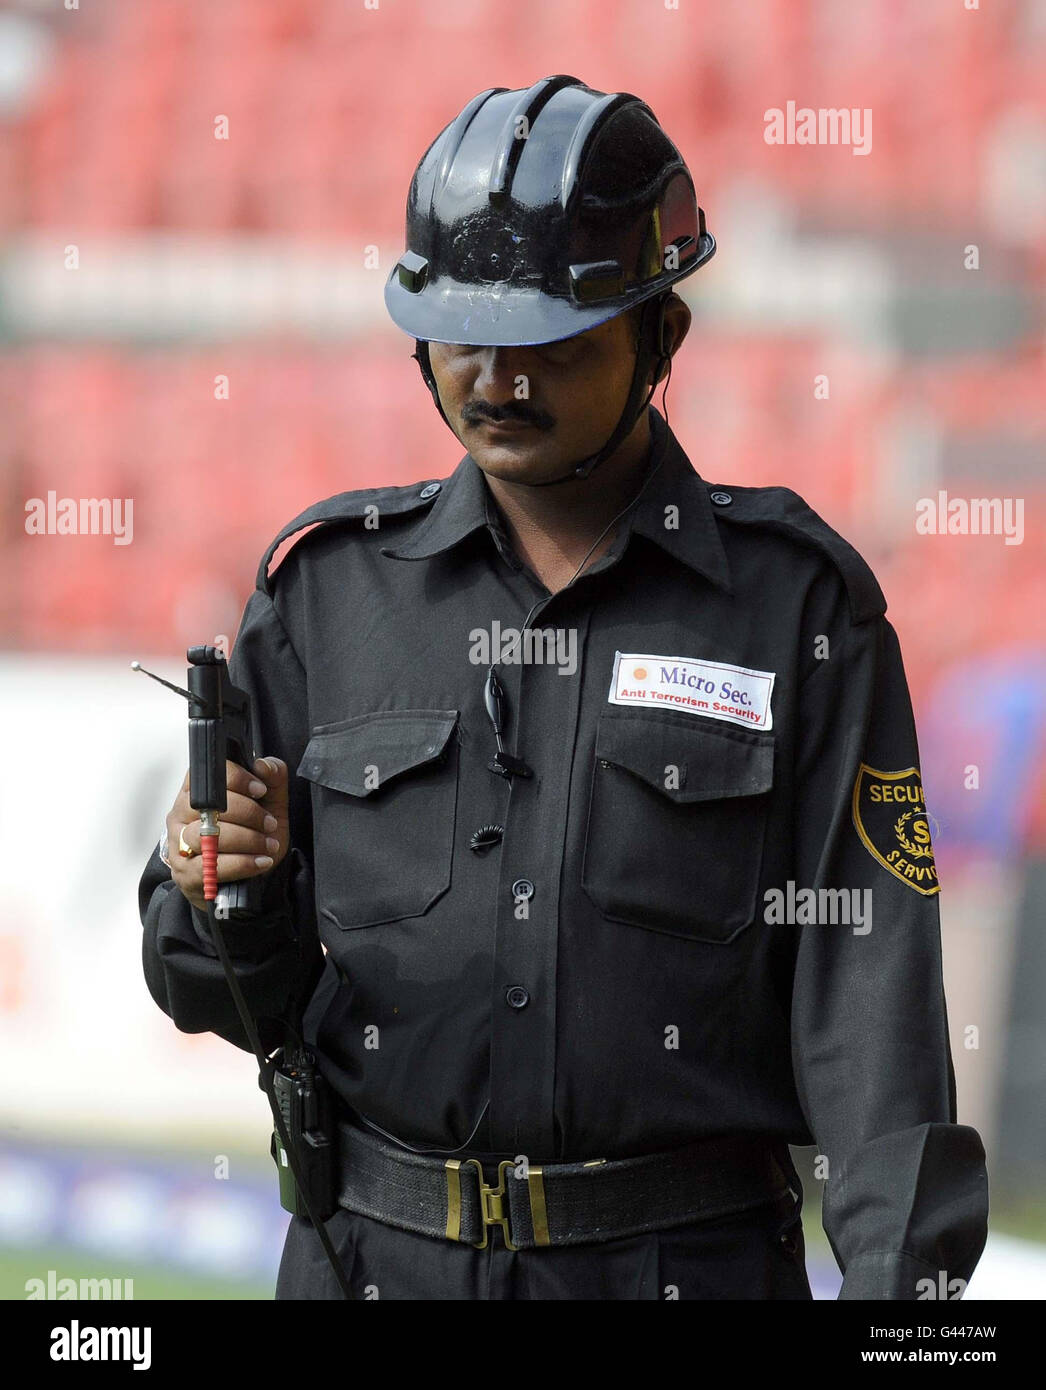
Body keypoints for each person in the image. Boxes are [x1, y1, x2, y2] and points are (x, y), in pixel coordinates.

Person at [139, 74, 988, 1300]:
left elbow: (872, 1018)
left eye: (547, 341)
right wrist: (223, 887)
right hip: (369, 1264)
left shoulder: (796, 611)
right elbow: (214, 984)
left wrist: (904, 1306)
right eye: (464, 336)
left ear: (660, 341)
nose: (497, 377)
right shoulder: (323, 598)